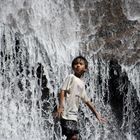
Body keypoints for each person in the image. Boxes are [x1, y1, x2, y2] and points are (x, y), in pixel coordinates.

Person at [55, 56, 106, 140]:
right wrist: (60, 106)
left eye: (80, 64)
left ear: (85, 68)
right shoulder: (71, 77)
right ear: (72, 67)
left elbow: (87, 101)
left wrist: (96, 113)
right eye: (75, 64)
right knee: (73, 137)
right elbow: (62, 91)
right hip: (66, 113)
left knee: (72, 137)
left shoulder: (82, 84)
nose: (77, 65)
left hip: (73, 115)